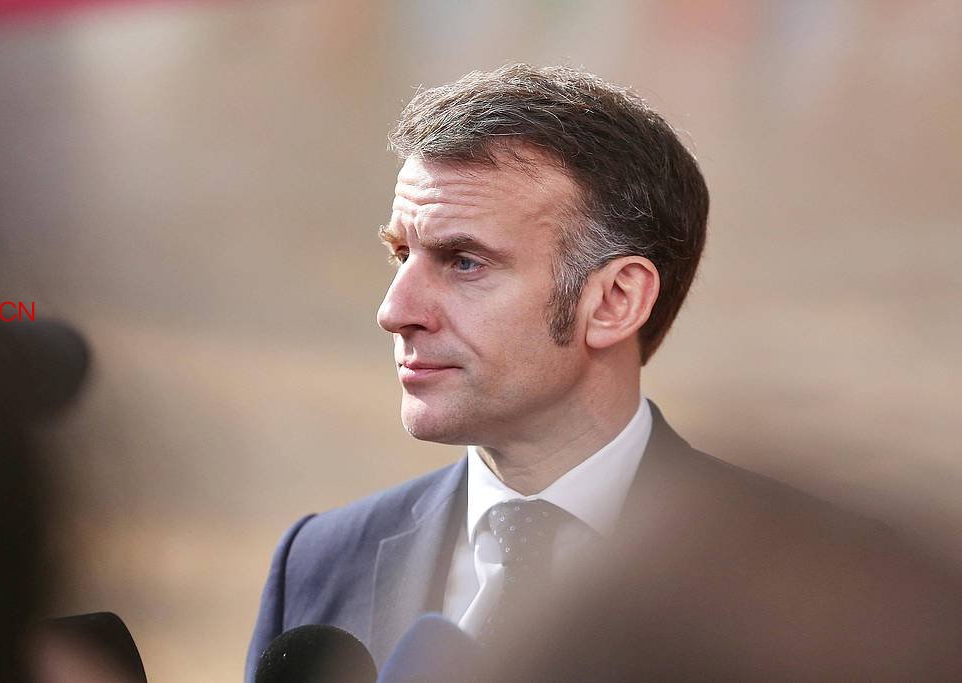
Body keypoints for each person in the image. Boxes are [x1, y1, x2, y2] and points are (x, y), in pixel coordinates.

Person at [246, 63, 962, 681]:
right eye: (402, 255)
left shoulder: (824, 586)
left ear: (616, 300)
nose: (394, 310)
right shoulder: (317, 561)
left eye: (464, 261)